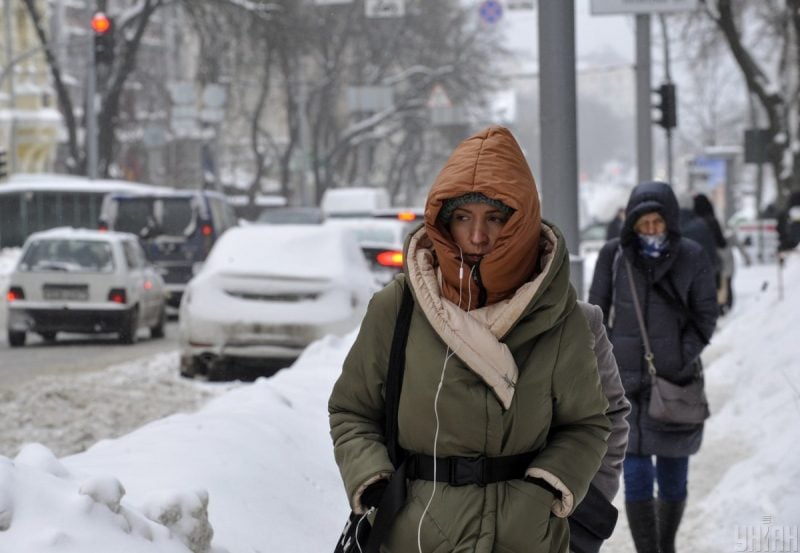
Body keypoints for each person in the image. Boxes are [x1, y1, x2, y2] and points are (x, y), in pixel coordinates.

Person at [329, 126, 611, 553]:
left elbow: (586, 423)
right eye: (463, 218)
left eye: (495, 218)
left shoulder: (559, 316)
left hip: (521, 536)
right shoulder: (398, 307)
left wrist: (546, 488)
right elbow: (353, 409)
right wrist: (373, 484)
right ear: (444, 222)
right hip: (415, 535)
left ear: (521, 223)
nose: (478, 236)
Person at [588, 181, 719, 553]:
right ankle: (649, 549)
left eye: (656, 224)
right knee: (637, 474)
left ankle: (667, 544)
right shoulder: (614, 255)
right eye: (642, 225)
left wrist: (679, 354)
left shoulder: (691, 256)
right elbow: (595, 313)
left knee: (674, 473)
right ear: (631, 224)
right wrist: (610, 356)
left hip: (674, 384)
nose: (649, 232)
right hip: (624, 385)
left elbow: (705, 315)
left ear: (669, 223)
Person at [569, 301, 631, 553]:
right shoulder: (436, 319)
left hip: (553, 529)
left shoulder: (580, 319)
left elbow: (611, 416)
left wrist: (588, 505)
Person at [693, 193, 734, 313]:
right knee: (720, 286)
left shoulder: (694, 223)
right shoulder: (712, 221)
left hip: (699, 262)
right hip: (715, 261)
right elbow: (722, 243)